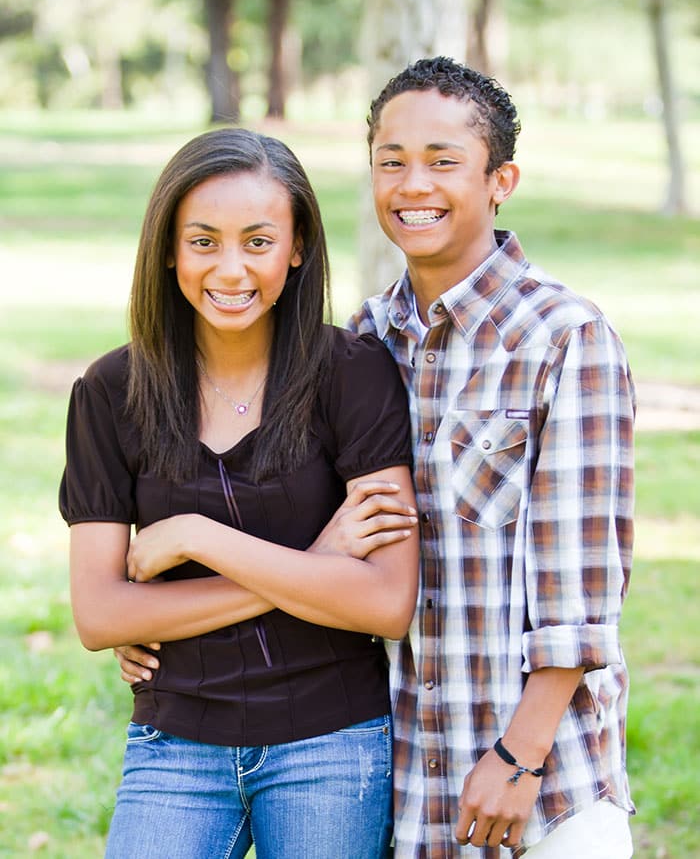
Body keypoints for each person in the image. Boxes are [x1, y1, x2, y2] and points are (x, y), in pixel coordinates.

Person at [116, 57, 637, 858]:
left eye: (442, 161)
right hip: (407, 783)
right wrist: (178, 619)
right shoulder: (365, 342)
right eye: (391, 160)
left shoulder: (563, 337)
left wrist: (519, 756)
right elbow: (318, 544)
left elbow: (582, 586)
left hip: (542, 785)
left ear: (502, 179)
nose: (411, 184)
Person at [59, 127, 420, 859]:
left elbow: (386, 602)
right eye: (203, 242)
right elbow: (100, 614)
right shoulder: (110, 392)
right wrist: (319, 562)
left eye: (258, 241)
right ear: (168, 249)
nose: (231, 269)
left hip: (331, 738)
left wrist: (198, 536)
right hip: (175, 740)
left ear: (296, 248)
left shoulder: (355, 375)